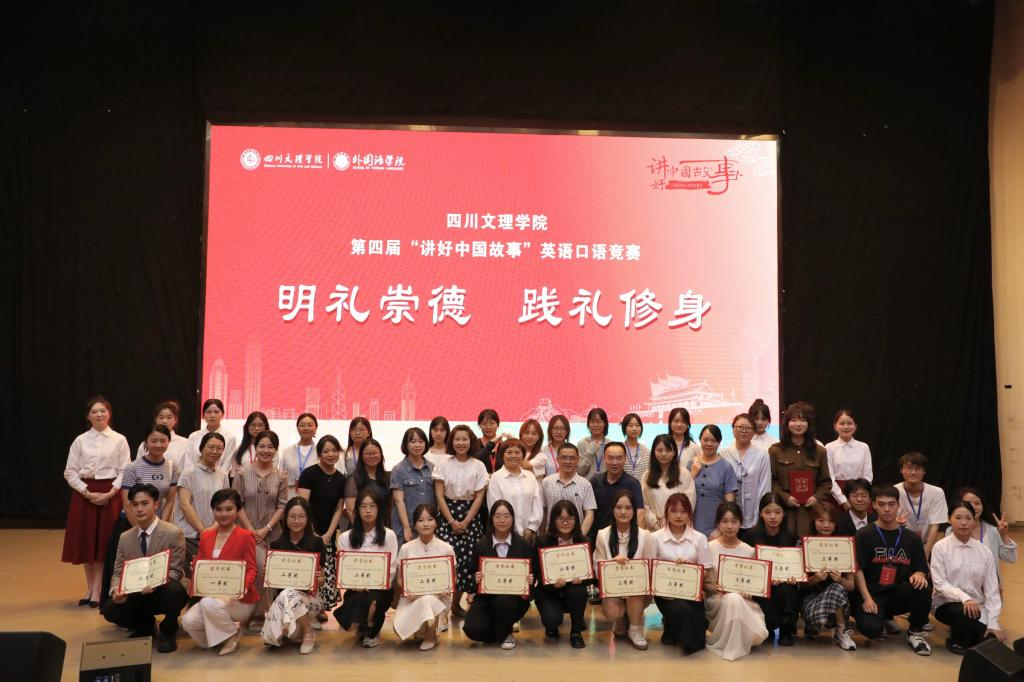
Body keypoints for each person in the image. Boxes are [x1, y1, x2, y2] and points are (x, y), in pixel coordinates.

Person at [102, 483, 188, 653]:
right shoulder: (125, 537)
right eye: (135, 504)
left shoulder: (173, 532)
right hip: (136, 591)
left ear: (156, 504)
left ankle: (168, 630)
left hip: (163, 589)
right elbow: (118, 571)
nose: (139, 509)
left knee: (175, 591)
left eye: (144, 503)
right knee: (110, 609)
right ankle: (145, 626)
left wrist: (156, 583)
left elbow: (176, 570)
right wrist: (116, 590)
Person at [63, 396, 131, 608]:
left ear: (109, 413)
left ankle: (98, 589)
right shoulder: (80, 440)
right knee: (86, 541)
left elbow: (125, 470)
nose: (99, 414)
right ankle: (90, 586)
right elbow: (70, 471)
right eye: (94, 412)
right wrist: (86, 492)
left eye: (103, 411)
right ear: (88, 416)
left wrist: (110, 493)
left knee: (104, 542)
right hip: (85, 494)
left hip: (110, 493)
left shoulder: (119, 439)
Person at [102, 424, 181, 606]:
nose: (158, 445)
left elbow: (170, 500)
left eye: (163, 441)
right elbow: (127, 503)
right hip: (132, 526)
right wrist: (141, 529)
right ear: (146, 442)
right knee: (132, 573)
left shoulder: (172, 467)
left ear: (168, 442)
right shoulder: (133, 468)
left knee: (159, 574)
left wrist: (160, 527)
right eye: (153, 441)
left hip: (159, 528)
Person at [852, 485, 933, 655]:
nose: (887, 509)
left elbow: (921, 568)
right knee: (871, 629)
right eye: (881, 504)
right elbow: (858, 570)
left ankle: (915, 632)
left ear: (898, 505)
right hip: (873, 594)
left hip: (898, 592)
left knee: (923, 587)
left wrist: (919, 574)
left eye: (891, 504)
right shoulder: (864, 534)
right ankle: (881, 620)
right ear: (874, 505)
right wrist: (867, 598)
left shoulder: (911, 537)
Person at [181, 489, 259, 656]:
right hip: (212, 596)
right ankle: (224, 637)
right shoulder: (206, 535)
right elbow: (200, 559)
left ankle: (232, 635)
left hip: (239, 599)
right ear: (213, 510)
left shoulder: (246, 536)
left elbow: (252, 569)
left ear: (238, 510)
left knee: (208, 603)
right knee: (188, 621)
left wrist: (241, 589)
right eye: (218, 509)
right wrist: (195, 566)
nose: (223, 514)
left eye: (229, 509)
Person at [931, 502, 1005, 654]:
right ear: (949, 519)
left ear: (974, 521)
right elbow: (940, 584)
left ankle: (964, 635)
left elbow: (992, 589)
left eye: (968, 518)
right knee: (964, 616)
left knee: (991, 642)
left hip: (978, 608)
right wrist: (965, 598)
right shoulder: (940, 547)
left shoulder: (984, 551)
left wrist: (993, 622)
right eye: (958, 518)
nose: (963, 523)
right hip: (947, 605)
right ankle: (957, 641)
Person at [233, 429, 288, 627]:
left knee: (270, 570)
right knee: (255, 567)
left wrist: (266, 528)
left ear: (276, 450)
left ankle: (266, 612)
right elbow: (237, 504)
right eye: (262, 446)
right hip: (247, 532)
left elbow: (282, 506)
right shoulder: (242, 473)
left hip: (272, 532)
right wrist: (251, 530)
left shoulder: (281, 476)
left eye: (270, 447)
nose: (266, 450)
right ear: (255, 448)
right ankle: (253, 612)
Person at [463, 500, 535, 649]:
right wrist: (476, 579)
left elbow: (535, 576)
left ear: (513, 518)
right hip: (486, 598)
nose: (502, 520)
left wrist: (530, 581)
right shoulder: (481, 545)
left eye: (506, 516)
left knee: (503, 602)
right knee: (472, 629)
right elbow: (470, 575)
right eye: (498, 516)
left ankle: (506, 633)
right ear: (491, 519)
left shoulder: (524, 545)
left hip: (513, 600)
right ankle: (499, 630)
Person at [433, 424, 488, 616]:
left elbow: (479, 497)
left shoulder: (478, 465)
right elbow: (439, 495)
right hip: (447, 515)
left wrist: (465, 522)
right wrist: (451, 521)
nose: (461, 443)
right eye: (457, 439)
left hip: (470, 516)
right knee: (446, 562)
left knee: (467, 563)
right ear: (451, 442)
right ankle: (440, 611)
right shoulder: (443, 464)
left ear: (471, 441)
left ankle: (456, 604)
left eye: (465, 439)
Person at [260, 497, 325, 654]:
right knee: (271, 638)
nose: (296, 521)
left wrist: (320, 579)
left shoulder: (317, 543)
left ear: (308, 518)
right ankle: (293, 628)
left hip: (310, 600)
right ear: (285, 518)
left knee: (288, 593)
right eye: (292, 516)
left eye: (301, 516)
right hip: (283, 600)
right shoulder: (276, 545)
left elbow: (322, 582)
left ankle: (307, 631)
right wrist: (268, 575)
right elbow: (274, 585)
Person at [705, 501, 769, 661]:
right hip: (716, 600)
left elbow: (754, 584)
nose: (729, 526)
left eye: (734, 521)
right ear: (718, 523)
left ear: (740, 523)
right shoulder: (709, 548)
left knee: (735, 599)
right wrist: (716, 589)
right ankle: (734, 646)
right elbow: (703, 584)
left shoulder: (749, 551)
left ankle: (735, 643)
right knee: (732, 598)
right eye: (724, 521)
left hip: (744, 600)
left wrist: (749, 592)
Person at [335, 489, 399, 647]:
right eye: (363, 506)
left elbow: (391, 569)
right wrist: (353, 584)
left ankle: (371, 629)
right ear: (357, 510)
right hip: (355, 589)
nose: (368, 510)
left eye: (372, 506)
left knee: (371, 600)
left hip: (381, 590)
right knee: (360, 599)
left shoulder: (389, 535)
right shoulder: (345, 537)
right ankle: (364, 624)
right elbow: (344, 570)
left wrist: (372, 584)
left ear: (379, 509)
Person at [651, 492, 713, 655]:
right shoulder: (655, 538)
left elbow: (706, 571)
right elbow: (650, 570)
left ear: (690, 514)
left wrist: (690, 570)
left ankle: (671, 634)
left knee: (698, 627)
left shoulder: (700, 538)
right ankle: (680, 636)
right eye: (674, 511)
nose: (678, 516)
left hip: (692, 593)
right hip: (666, 595)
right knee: (682, 610)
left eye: (683, 511)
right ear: (666, 512)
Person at [594, 490, 654, 649]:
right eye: (619, 507)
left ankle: (635, 630)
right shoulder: (603, 535)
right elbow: (597, 568)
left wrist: (634, 573)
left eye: (628, 508)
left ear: (634, 511)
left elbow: (650, 567)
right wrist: (612, 564)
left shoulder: (645, 535)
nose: (623, 512)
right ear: (612, 510)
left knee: (635, 588)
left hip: (639, 593)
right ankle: (620, 620)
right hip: (613, 591)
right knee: (612, 610)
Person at [297, 435, 347, 623]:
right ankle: (302, 607)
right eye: (326, 451)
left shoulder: (341, 479)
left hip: (328, 534)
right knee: (308, 570)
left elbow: (339, 509)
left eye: (334, 450)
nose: (331, 454)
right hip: (307, 532)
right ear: (319, 453)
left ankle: (319, 608)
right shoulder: (309, 474)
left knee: (325, 572)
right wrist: (312, 533)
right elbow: (303, 505)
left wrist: (328, 534)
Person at [393, 504, 456, 650]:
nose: (425, 524)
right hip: (412, 598)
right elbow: (400, 579)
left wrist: (448, 589)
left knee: (429, 599)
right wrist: (407, 590)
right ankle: (422, 630)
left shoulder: (446, 548)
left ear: (436, 523)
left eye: (430, 519)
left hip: (438, 598)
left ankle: (431, 635)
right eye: (421, 520)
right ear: (415, 525)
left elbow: (453, 578)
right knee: (402, 630)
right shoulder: (406, 548)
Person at [742, 492, 800, 645]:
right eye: (767, 512)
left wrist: (795, 578)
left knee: (788, 589)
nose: (773, 517)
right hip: (759, 586)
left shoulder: (792, 537)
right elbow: (746, 567)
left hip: (783, 585)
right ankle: (766, 627)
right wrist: (765, 580)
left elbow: (796, 567)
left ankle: (786, 630)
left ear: (784, 514)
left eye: (777, 512)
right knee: (766, 591)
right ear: (761, 513)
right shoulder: (750, 536)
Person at [768, 401, 831, 537]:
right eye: (794, 420)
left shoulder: (819, 451)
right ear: (787, 423)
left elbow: (825, 483)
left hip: (811, 511)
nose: (798, 424)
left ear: (809, 424)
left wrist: (816, 498)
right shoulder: (775, 451)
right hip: (784, 510)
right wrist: (785, 497)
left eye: (802, 420)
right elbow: (772, 481)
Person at [799, 504, 857, 651]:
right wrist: (815, 579)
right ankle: (812, 625)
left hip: (839, 604)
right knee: (815, 622)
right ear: (813, 521)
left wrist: (840, 580)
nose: (826, 525)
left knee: (837, 588)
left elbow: (851, 586)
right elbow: (800, 586)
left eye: (831, 521)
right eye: (821, 520)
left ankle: (841, 631)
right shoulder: (804, 544)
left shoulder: (845, 545)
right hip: (811, 601)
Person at [533, 499, 590, 648]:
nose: (565, 523)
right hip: (549, 592)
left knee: (579, 590)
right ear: (553, 520)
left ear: (576, 520)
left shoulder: (583, 541)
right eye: (560, 519)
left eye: (570, 518)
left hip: (572, 590)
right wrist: (552, 584)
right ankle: (551, 625)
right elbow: (536, 573)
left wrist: (582, 580)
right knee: (551, 619)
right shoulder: (542, 542)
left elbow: (590, 574)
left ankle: (576, 631)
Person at [174, 432, 230, 576]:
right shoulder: (188, 473)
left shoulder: (223, 476)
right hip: (190, 536)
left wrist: (212, 530)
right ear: (202, 448)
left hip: (214, 535)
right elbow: (185, 505)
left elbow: (225, 507)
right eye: (210, 447)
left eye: (219, 448)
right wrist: (202, 531)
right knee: (193, 577)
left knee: (210, 578)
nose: (215, 451)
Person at [947, 487, 1017, 581]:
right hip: (960, 585)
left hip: (990, 585)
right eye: (968, 503)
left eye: (977, 503)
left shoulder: (992, 531)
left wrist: (1004, 535)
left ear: (982, 506)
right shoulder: (951, 531)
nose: (973, 507)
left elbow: (1011, 558)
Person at [721, 413, 771, 530]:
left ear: (754, 431)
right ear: (733, 429)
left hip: (753, 517)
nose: (744, 431)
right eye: (740, 427)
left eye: (748, 428)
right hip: (728, 519)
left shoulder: (762, 455)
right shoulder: (724, 454)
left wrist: (759, 517)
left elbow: (764, 488)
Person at [487, 438, 543, 542]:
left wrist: (531, 528)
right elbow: (494, 508)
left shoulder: (530, 476)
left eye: (517, 452)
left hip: (530, 534)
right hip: (505, 535)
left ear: (523, 455)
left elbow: (537, 504)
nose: (513, 456)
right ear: (502, 455)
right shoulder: (496, 477)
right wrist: (510, 531)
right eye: (509, 452)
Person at [894, 451, 948, 559]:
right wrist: (895, 522)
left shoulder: (937, 492)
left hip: (927, 544)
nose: (913, 472)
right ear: (901, 470)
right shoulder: (894, 491)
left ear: (924, 471)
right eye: (909, 468)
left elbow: (935, 525)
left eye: (918, 468)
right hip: (899, 545)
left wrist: (926, 554)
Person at [590, 442, 645, 543]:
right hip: (597, 538)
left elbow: (640, 513)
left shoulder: (633, 483)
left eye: (619, 458)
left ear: (625, 459)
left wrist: (637, 540)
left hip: (624, 539)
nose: (615, 462)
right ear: (604, 459)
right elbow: (588, 512)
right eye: (610, 458)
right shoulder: (595, 481)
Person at [691, 425, 738, 536]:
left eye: (713, 440)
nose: (709, 444)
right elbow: (684, 495)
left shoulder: (726, 467)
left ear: (719, 442)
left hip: (715, 527)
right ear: (700, 440)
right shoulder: (692, 464)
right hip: (691, 526)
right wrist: (692, 474)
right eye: (705, 440)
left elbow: (729, 504)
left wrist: (720, 529)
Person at [391, 427, 436, 545]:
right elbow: (398, 500)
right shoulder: (398, 469)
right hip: (407, 527)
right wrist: (406, 527)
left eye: (421, 441)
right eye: (413, 441)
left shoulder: (432, 467)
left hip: (428, 527)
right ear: (406, 445)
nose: (417, 445)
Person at [541, 443, 597, 536]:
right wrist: (543, 536)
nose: (568, 461)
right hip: (551, 537)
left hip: (577, 536)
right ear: (557, 459)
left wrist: (580, 537)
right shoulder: (546, 482)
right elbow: (543, 512)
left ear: (578, 460)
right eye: (564, 458)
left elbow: (589, 514)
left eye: (572, 458)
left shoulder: (585, 484)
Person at [642, 434, 696, 531]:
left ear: (674, 452)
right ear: (653, 452)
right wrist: (655, 524)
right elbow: (645, 505)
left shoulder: (684, 474)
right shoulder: (647, 475)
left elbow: (690, 502)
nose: (663, 454)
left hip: (680, 526)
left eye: (668, 450)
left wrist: (674, 522)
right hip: (654, 528)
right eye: (659, 450)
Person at [825, 409, 873, 511]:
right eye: (842, 423)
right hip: (836, 496)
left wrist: (858, 496)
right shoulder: (829, 448)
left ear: (855, 426)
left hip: (860, 495)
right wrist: (843, 500)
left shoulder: (864, 447)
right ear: (835, 426)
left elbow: (868, 476)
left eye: (849, 423)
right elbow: (829, 478)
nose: (846, 427)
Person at [343, 438, 391, 526]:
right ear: (361, 456)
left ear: (381, 454)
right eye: (367, 454)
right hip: (361, 529)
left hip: (385, 527)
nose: (372, 456)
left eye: (375, 453)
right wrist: (365, 531)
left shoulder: (389, 477)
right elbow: (350, 510)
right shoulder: (353, 479)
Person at [135, 400, 192, 473]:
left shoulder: (185, 443)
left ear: (176, 420)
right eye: (161, 417)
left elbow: (188, 470)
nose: (165, 421)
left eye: (169, 417)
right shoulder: (145, 444)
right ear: (155, 419)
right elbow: (138, 469)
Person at [187, 399, 237, 472]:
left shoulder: (230, 437)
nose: (213, 416)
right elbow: (188, 463)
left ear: (222, 414)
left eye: (216, 412)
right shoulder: (194, 436)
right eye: (209, 412)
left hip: (219, 477)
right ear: (203, 415)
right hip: (194, 476)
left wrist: (215, 477)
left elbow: (227, 465)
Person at [280, 413, 318, 500]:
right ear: (297, 428)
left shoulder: (321, 452)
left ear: (316, 428)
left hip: (314, 498)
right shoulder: (286, 452)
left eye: (310, 425)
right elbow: (280, 480)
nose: (306, 428)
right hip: (290, 499)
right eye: (302, 425)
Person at [228, 411, 271, 479]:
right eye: (253, 425)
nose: (257, 428)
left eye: (260, 425)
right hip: (243, 483)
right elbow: (234, 473)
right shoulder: (240, 448)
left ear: (266, 427)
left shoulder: (271, 449)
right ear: (247, 427)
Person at [531, 415, 571, 481]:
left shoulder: (572, 451)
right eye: (555, 428)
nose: (559, 432)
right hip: (548, 485)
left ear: (567, 431)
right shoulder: (543, 451)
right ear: (550, 430)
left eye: (562, 428)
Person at [577, 407, 609, 478]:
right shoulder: (582, 443)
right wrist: (589, 453)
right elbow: (580, 471)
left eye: (599, 422)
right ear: (588, 424)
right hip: (587, 484)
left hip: (606, 484)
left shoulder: (610, 444)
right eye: (592, 422)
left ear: (605, 423)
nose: (595, 425)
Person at [668, 407, 700, 471]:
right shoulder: (663, 444)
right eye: (676, 421)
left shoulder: (694, 448)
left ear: (688, 424)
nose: (679, 425)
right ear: (670, 423)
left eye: (683, 422)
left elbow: (698, 470)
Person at [619, 413, 650, 481]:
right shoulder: (619, 449)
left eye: (637, 425)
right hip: (622, 487)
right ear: (624, 427)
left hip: (641, 487)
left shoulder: (647, 451)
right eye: (630, 425)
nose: (634, 428)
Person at [474, 408, 503, 474]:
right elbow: (474, 462)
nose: (488, 427)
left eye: (492, 423)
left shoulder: (504, 445)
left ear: (498, 424)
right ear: (479, 425)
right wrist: (491, 444)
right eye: (484, 424)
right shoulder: (474, 444)